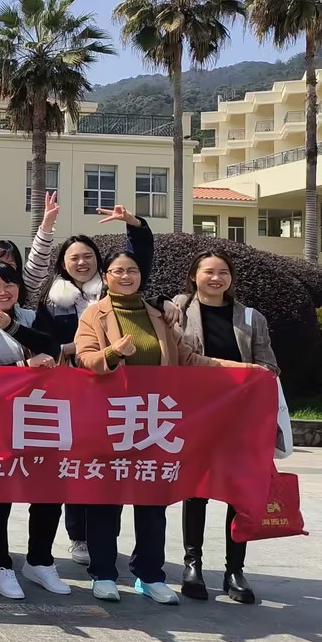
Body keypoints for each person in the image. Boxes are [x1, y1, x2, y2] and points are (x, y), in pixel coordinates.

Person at [74, 248, 246, 605]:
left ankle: (150, 575)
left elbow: (188, 358)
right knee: (105, 501)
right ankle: (103, 574)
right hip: (111, 420)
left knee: (152, 501)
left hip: (154, 421)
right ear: (105, 277)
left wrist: (242, 370)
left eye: (132, 270)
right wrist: (113, 353)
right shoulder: (94, 314)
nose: (126, 276)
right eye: (118, 271)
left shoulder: (159, 315)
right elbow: (84, 358)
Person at [34, 200, 179, 567]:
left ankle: (111, 545)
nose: (81, 262)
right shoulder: (50, 299)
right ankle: (80, 536)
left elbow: (138, 260)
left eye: (87, 256)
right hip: (70, 391)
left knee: (111, 472)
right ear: (62, 264)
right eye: (73, 258)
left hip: (116, 395)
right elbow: (42, 340)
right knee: (78, 464)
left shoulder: (112, 291)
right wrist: (69, 351)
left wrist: (134, 224)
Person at [173, 249, 278, 604]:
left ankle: (235, 570)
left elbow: (269, 366)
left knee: (239, 491)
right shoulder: (178, 311)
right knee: (196, 489)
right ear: (194, 275)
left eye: (223, 272)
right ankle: (193, 564)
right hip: (197, 413)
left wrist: (255, 375)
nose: (216, 278)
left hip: (241, 416)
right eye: (208, 271)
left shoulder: (250, 317)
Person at [0, 261, 69, 600]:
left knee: (49, 491)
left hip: (40, 415)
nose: (3, 291)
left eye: (9, 284)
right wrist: (23, 366)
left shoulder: (30, 317)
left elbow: (52, 347)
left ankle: (40, 560)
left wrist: (12, 326)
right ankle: (0, 565)